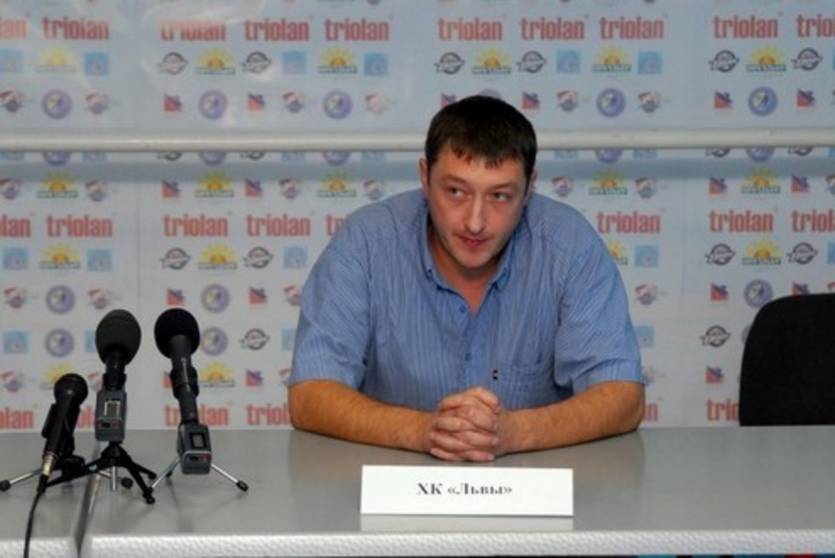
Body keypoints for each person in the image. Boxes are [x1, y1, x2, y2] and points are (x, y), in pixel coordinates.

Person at [288, 95, 644, 462]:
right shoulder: (365, 243)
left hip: (533, 484)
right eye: (456, 191)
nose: (475, 222)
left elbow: (622, 396)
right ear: (425, 177)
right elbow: (310, 394)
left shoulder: (569, 246)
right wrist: (426, 432)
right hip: (391, 483)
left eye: (500, 196)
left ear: (529, 188)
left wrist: (514, 433)